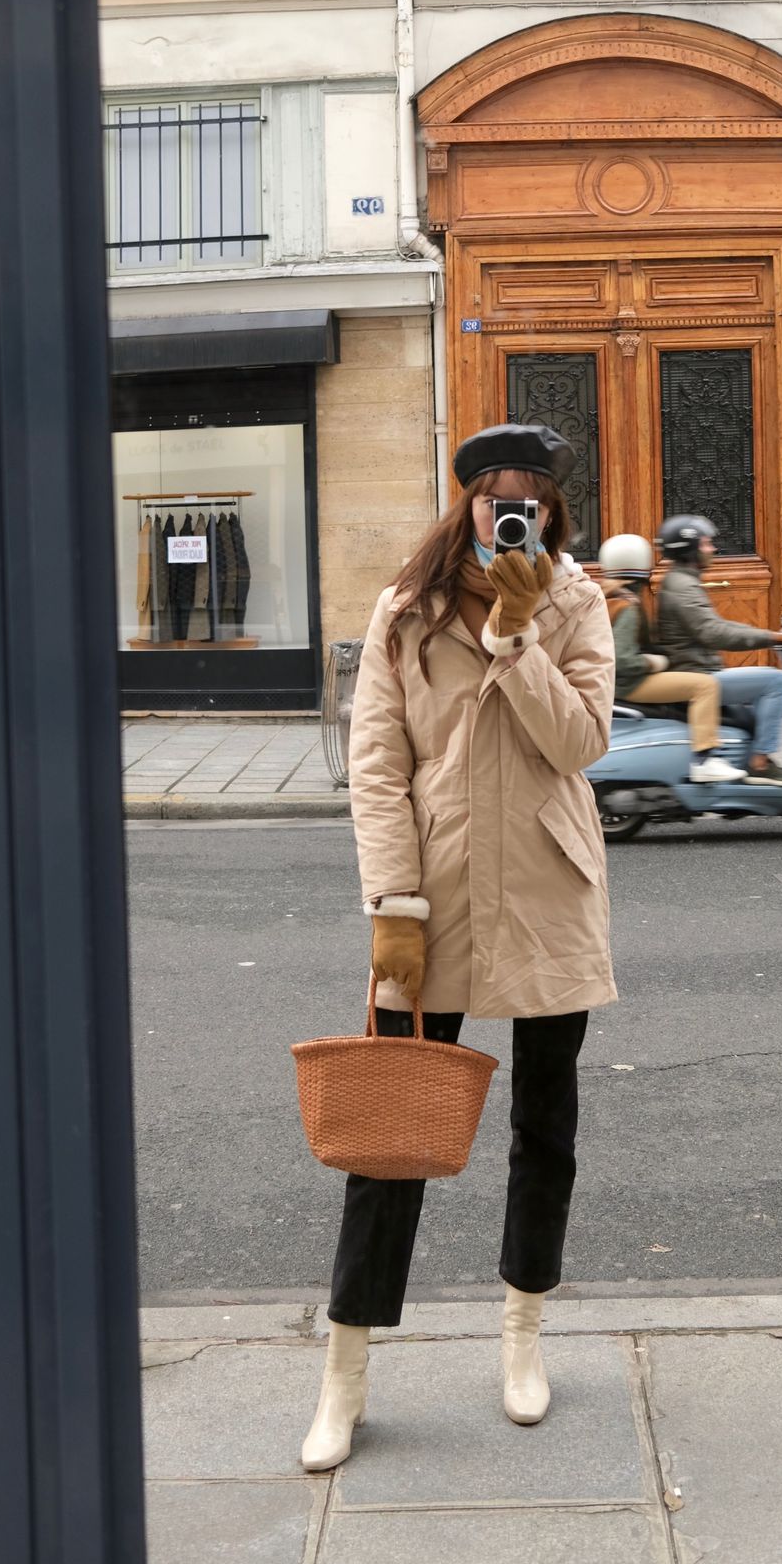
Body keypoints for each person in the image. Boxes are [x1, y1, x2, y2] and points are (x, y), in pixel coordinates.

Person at [302, 422, 617, 1473]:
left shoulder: (577, 604)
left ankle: (522, 1337)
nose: (509, 512)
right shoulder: (405, 609)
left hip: (546, 892)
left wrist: (519, 640)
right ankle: (344, 1372)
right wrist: (392, 903)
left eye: (528, 497)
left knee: (547, 1126)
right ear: (467, 506)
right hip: (430, 898)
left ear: (553, 512)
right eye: (493, 496)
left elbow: (580, 744)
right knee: (390, 1135)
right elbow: (379, 765)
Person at [654, 514, 782, 786]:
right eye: (705, 544)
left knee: (754, 706)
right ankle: (760, 763)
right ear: (688, 548)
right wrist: (771, 637)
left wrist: (769, 635)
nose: (712, 549)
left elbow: (714, 626)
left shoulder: (682, 581)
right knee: (779, 681)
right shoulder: (682, 586)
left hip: (699, 670)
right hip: (698, 674)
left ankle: (747, 758)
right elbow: (713, 632)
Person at [597, 533, 745, 783]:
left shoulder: (606, 595)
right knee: (704, 686)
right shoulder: (628, 605)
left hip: (613, 683)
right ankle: (705, 760)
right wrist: (655, 662)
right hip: (627, 684)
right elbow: (622, 660)